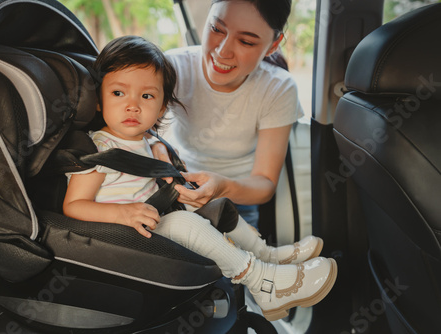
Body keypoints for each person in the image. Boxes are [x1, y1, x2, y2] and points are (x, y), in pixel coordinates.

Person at [62, 35, 337, 321]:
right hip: (126, 234)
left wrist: (160, 153)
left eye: (146, 96)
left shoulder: (147, 142)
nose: (133, 105)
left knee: (213, 203)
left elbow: (152, 159)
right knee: (185, 222)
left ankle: (265, 254)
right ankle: (263, 281)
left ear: (161, 106)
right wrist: (122, 213)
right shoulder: (100, 150)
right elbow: (74, 205)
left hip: (152, 216)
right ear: (98, 100)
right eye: (118, 93)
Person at [152, 0, 301, 229]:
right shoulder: (174, 67)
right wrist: (155, 145)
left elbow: (265, 184)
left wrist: (222, 187)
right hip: (174, 191)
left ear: (273, 45)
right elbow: (137, 131)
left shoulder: (278, 88)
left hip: (236, 203)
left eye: (246, 41)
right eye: (216, 29)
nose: (222, 51)